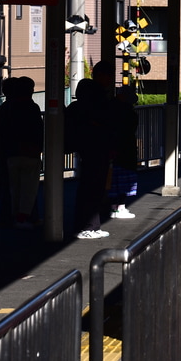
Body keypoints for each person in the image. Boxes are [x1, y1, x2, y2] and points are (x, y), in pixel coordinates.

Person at [67, 60, 116, 239]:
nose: (110, 79)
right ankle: (88, 226)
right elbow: (104, 121)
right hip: (97, 146)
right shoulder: (98, 99)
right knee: (93, 186)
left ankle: (91, 225)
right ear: (101, 75)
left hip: (87, 146)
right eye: (109, 75)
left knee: (90, 186)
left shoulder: (82, 102)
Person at [0, 76, 44, 229]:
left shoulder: (5, 108)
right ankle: (26, 218)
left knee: (12, 188)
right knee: (29, 189)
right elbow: (38, 130)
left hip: (9, 153)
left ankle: (11, 218)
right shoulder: (32, 107)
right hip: (30, 153)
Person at [108, 83, 140, 220]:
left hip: (112, 148)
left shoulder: (110, 108)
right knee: (125, 179)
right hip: (125, 149)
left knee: (113, 179)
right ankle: (120, 207)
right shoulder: (128, 112)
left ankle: (114, 207)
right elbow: (129, 129)